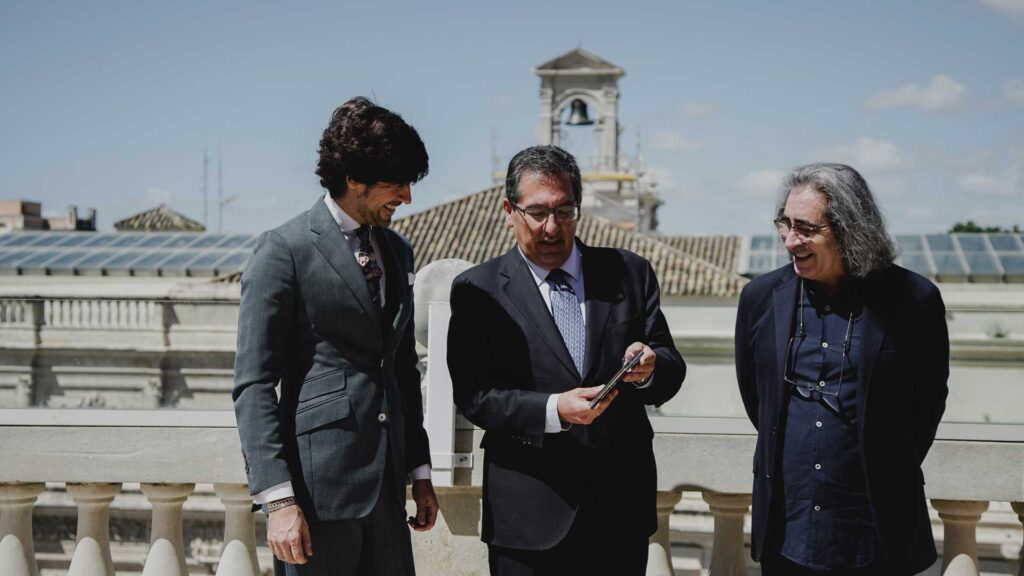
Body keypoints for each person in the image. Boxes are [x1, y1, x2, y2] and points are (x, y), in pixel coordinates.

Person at [447, 145, 686, 576]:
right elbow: (475, 397)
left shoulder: (630, 273)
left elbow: (670, 365)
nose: (553, 227)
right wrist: (556, 410)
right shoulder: (477, 290)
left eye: (565, 211)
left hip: (619, 513)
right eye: (537, 213)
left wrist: (651, 367)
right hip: (526, 518)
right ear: (509, 210)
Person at [232, 97, 438, 576]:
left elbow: (402, 368)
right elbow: (254, 384)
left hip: (389, 499)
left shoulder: (398, 251)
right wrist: (278, 500)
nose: (407, 197)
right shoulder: (283, 250)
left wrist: (419, 473)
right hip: (316, 499)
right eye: (397, 183)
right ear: (353, 179)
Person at [735, 163, 949, 575]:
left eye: (806, 228)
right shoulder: (760, 298)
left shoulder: (913, 300)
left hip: (877, 531)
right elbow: (756, 399)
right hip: (786, 530)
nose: (789, 240)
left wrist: (882, 461)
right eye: (785, 224)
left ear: (850, 229)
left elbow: (926, 405)